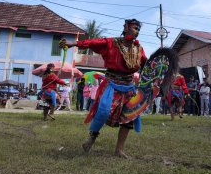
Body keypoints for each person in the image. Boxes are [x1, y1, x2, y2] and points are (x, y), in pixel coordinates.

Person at [59, 19, 147, 158]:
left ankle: (119, 149)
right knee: (103, 111)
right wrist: (72, 44)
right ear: (125, 28)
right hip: (112, 83)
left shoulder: (139, 49)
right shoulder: (111, 43)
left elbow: (146, 64)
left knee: (130, 116)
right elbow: (92, 42)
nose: (136, 31)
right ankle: (91, 139)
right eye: (134, 28)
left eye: (138, 29)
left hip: (129, 87)